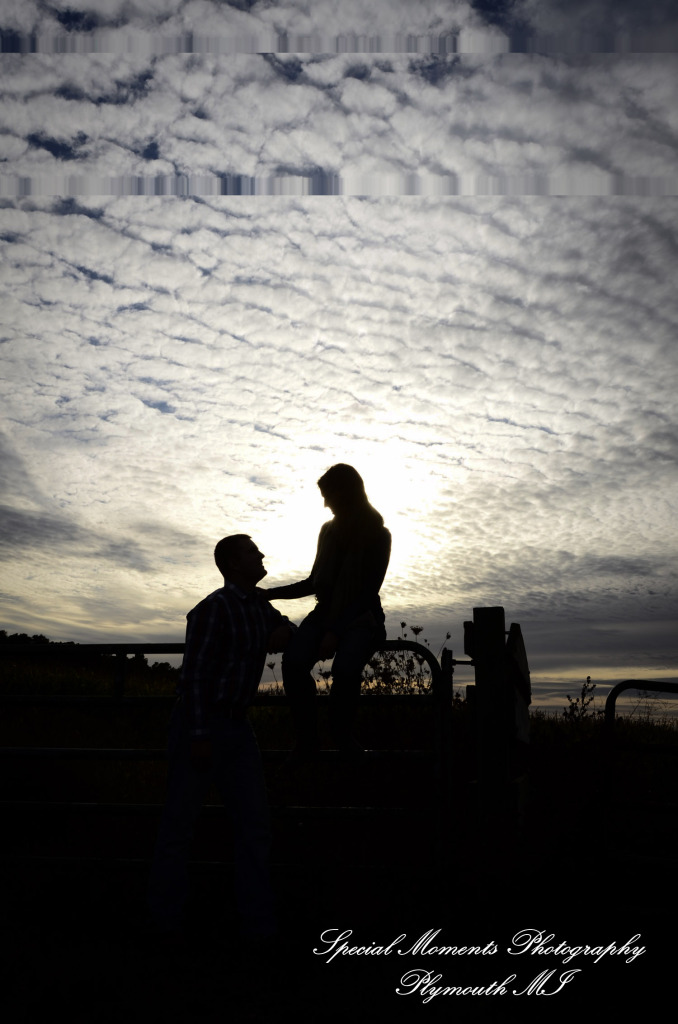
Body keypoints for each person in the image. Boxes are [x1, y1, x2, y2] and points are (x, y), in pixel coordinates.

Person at [147, 534, 294, 943]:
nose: (261, 554)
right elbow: (193, 676)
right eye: (252, 551)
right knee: (179, 825)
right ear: (231, 563)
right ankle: (166, 924)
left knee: (254, 825)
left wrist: (282, 625)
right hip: (203, 723)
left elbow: (292, 633)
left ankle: (258, 926)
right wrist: (198, 735)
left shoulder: (260, 608)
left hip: (236, 726)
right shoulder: (213, 609)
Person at [262, 464, 391, 760]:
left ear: (346, 492)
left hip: (362, 616)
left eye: (328, 495)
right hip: (324, 613)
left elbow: (367, 592)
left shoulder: (379, 534)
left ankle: (343, 738)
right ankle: (307, 739)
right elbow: (314, 582)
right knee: (293, 663)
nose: (325, 503)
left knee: (345, 670)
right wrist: (270, 593)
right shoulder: (327, 531)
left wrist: (334, 632)